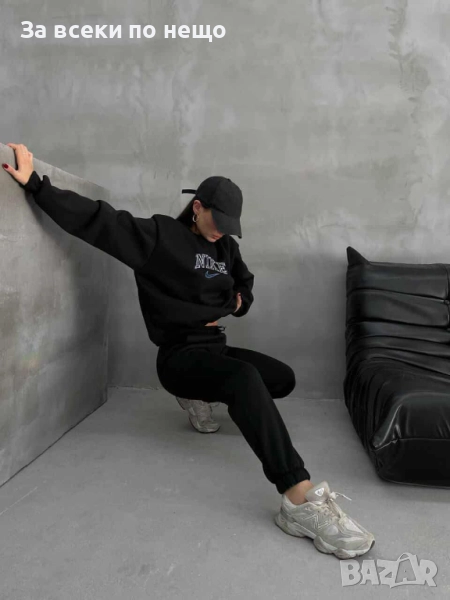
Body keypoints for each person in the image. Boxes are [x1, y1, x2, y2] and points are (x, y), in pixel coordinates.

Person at [2, 143, 376, 559]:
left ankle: (201, 396)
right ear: (197, 207)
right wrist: (36, 185)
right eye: (218, 221)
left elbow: (245, 283)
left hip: (215, 348)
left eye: (230, 226)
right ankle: (298, 498)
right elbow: (99, 221)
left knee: (281, 379)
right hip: (179, 356)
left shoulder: (226, 247)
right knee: (244, 380)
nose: (222, 232)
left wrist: (237, 303)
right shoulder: (161, 237)